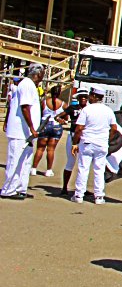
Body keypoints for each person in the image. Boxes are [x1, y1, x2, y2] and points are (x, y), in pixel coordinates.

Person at [2, 63, 45, 199]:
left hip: (27, 133)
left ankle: (21, 188)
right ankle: (8, 190)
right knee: (15, 160)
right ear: (38, 74)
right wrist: (32, 127)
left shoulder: (32, 85)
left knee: (25, 161)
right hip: (20, 131)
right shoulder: (26, 84)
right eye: (43, 74)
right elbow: (25, 107)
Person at [71, 86, 119, 204]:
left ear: (93, 96)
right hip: (101, 143)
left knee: (83, 168)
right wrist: (107, 139)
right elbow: (114, 128)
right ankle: (99, 196)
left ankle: (79, 195)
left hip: (87, 142)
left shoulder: (87, 110)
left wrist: (75, 143)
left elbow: (79, 128)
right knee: (99, 169)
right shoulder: (108, 110)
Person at [55, 89, 89, 196]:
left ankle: (82, 188)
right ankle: (64, 187)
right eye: (81, 97)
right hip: (73, 137)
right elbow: (58, 116)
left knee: (84, 164)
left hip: (85, 138)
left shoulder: (90, 109)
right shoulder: (73, 108)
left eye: (85, 97)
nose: (83, 98)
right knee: (70, 161)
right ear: (78, 98)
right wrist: (61, 120)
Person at [31, 85, 65, 177]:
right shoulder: (63, 104)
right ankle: (48, 170)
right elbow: (65, 116)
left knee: (40, 148)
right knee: (51, 149)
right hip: (56, 126)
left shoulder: (44, 102)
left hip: (44, 125)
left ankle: (34, 168)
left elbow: (39, 113)